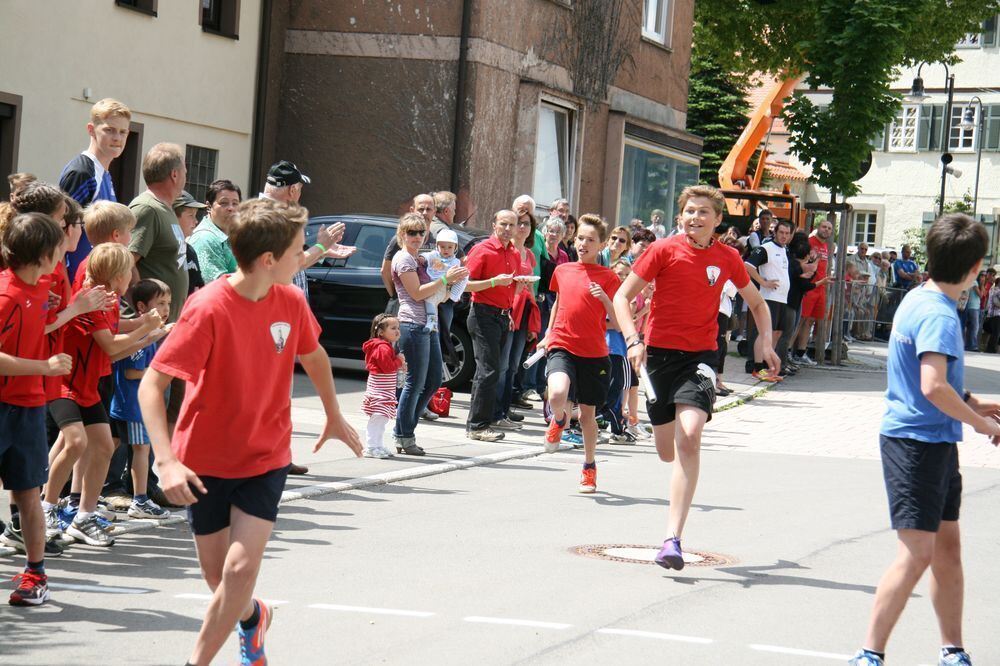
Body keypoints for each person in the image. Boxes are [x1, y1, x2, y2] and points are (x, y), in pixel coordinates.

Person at [137, 197, 362, 666]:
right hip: (204, 461)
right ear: (268, 261)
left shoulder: (291, 300)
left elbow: (314, 354)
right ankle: (252, 617)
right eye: (299, 251)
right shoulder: (208, 308)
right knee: (221, 582)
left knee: (240, 569)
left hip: (265, 456)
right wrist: (165, 459)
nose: (304, 258)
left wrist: (333, 414)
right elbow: (153, 386)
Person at [849, 214, 1000, 666]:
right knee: (917, 554)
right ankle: (868, 653)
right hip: (915, 444)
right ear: (976, 269)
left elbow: (928, 379)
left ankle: (952, 648)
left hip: (932, 442)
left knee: (947, 548)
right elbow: (933, 386)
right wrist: (983, 425)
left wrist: (974, 402)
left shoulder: (921, 297)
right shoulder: (939, 314)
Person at [612, 184, 779, 570]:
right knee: (667, 450)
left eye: (704, 212)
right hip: (658, 357)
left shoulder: (727, 257)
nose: (695, 218)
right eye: (689, 211)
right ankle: (673, 513)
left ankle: (672, 539)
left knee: (690, 436)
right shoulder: (662, 250)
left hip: (702, 356)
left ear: (718, 221)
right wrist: (633, 340)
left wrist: (766, 344)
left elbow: (756, 303)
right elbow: (622, 297)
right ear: (679, 217)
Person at [47, 244, 163, 547]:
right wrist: (144, 329)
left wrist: (146, 330)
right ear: (116, 275)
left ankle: (83, 517)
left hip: (86, 386)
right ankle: (44, 508)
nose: (132, 276)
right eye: (128, 270)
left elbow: (112, 338)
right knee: (74, 443)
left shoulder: (108, 300)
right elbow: (111, 345)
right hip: (65, 381)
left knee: (101, 446)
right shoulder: (94, 299)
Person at [259, 160, 352, 474]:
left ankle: (279, 456)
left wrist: (323, 251)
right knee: (271, 388)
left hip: (283, 315)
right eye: (299, 187)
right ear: (293, 188)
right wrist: (322, 246)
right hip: (273, 317)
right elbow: (287, 265)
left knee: (281, 387)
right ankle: (270, 457)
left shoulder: (275, 213)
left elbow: (295, 260)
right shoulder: (269, 216)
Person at [0, 212, 74, 606]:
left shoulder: (40, 284)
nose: (63, 253)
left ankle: (35, 573)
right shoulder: (7, 296)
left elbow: (42, 321)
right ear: (43, 255)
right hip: (4, 405)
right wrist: (43, 367)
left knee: (28, 493)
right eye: (58, 248)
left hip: (28, 407)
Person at [540, 214, 621, 494]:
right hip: (563, 342)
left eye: (590, 240)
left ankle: (589, 467)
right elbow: (558, 303)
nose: (583, 243)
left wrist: (606, 299)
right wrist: (548, 333)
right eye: (580, 239)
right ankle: (559, 419)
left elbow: (620, 321)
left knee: (588, 416)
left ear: (601, 246)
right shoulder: (562, 271)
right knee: (557, 394)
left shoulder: (609, 278)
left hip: (595, 353)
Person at [391, 213, 467, 455]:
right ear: (402, 234)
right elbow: (416, 293)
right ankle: (404, 434)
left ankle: (405, 428)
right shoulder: (404, 259)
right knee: (415, 382)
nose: (416, 237)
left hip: (428, 324)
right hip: (413, 324)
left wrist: (454, 282)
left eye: (420, 232)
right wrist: (446, 279)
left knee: (434, 380)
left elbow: (443, 288)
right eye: (411, 232)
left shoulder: (421, 259)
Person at [109, 279, 173, 520]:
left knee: (110, 447)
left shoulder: (147, 333)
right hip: (133, 405)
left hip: (129, 404)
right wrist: (159, 371)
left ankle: (86, 496)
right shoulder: (141, 335)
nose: (166, 309)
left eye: (168, 303)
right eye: (160, 303)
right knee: (141, 449)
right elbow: (131, 372)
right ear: (142, 307)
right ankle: (140, 499)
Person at [59, 98, 131, 281]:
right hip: (78, 282)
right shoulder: (83, 172)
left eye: (123, 132)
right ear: (91, 129)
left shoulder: (104, 173)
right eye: (109, 130)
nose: (117, 138)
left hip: (97, 283)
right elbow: (60, 229)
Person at [464, 211, 519, 442]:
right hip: (483, 313)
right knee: (488, 370)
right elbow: (465, 285)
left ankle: (480, 421)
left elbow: (511, 285)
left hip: (502, 315)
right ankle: (477, 425)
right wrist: (495, 282)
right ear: (494, 225)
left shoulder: (514, 252)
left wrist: (511, 309)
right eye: (503, 224)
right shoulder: (482, 249)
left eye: (511, 225)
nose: (507, 228)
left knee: (491, 370)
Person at [493, 209, 539, 429]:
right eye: (519, 223)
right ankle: (496, 411)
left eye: (526, 224)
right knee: (501, 365)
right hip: (507, 309)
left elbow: (530, 286)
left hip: (524, 310)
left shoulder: (529, 255)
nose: (521, 228)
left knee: (513, 364)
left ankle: (505, 407)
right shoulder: (505, 251)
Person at [744, 218, 793, 381]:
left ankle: (769, 366)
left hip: (782, 298)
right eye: (781, 232)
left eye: (787, 233)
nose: (784, 236)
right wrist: (763, 282)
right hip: (769, 297)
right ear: (775, 232)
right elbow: (748, 266)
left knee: (777, 332)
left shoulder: (784, 250)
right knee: (764, 332)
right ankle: (758, 367)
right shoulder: (766, 248)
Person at [600, 259, 635, 443]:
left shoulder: (625, 299)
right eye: (618, 273)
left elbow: (624, 322)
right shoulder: (606, 295)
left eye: (626, 275)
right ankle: (615, 428)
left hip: (619, 349)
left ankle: (616, 427)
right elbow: (617, 324)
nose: (621, 278)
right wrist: (617, 322)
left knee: (617, 390)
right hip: (606, 348)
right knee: (609, 391)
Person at [361, 314, 405, 459]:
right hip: (380, 392)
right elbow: (387, 368)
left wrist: (398, 362)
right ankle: (371, 447)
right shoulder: (382, 348)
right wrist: (399, 361)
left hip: (384, 391)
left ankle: (377, 445)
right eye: (393, 328)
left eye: (398, 327)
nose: (397, 331)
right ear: (381, 332)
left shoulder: (386, 346)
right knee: (378, 419)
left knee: (382, 419)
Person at [792, 217, 833, 366]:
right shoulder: (810, 242)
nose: (826, 230)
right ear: (817, 227)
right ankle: (789, 351)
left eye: (829, 228)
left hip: (821, 287)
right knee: (800, 319)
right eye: (824, 227)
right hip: (809, 286)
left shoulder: (828, 245)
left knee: (810, 321)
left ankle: (800, 353)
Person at [188, 179, 241, 283]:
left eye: (235, 203)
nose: (231, 208)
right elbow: (220, 286)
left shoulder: (234, 235)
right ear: (209, 206)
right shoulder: (205, 239)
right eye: (224, 203)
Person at [419, 229, 468, 333]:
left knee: (430, 301)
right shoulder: (434, 255)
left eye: (450, 247)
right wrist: (422, 258)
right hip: (432, 284)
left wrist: (454, 279)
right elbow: (426, 255)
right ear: (437, 246)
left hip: (444, 287)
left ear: (455, 248)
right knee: (431, 301)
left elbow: (455, 277)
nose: (446, 250)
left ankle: (432, 321)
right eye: (442, 247)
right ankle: (433, 322)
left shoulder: (455, 261)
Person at [172, 191, 207, 295]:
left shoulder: (190, 251)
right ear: (173, 216)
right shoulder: (166, 250)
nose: (196, 221)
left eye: (195, 215)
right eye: (191, 215)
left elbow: (199, 287)